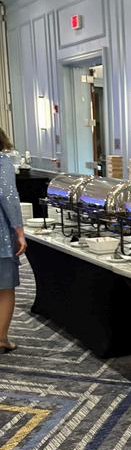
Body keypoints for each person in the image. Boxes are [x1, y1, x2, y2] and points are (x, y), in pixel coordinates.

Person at [0, 128, 27, 353]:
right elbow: (8, 195)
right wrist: (19, 231)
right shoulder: (2, 161)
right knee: (5, 287)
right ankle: (1, 340)